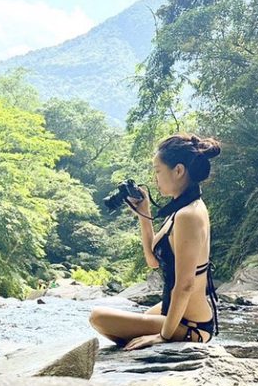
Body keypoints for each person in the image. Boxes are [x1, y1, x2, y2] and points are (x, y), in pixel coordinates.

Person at [90, 133, 221, 351]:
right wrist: (144, 213)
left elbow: (185, 285)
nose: (154, 179)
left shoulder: (188, 215)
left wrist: (163, 336)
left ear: (178, 171)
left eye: (158, 171)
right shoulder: (181, 209)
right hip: (175, 314)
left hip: (192, 325)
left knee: (98, 317)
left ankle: (169, 331)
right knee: (119, 327)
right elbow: (153, 261)